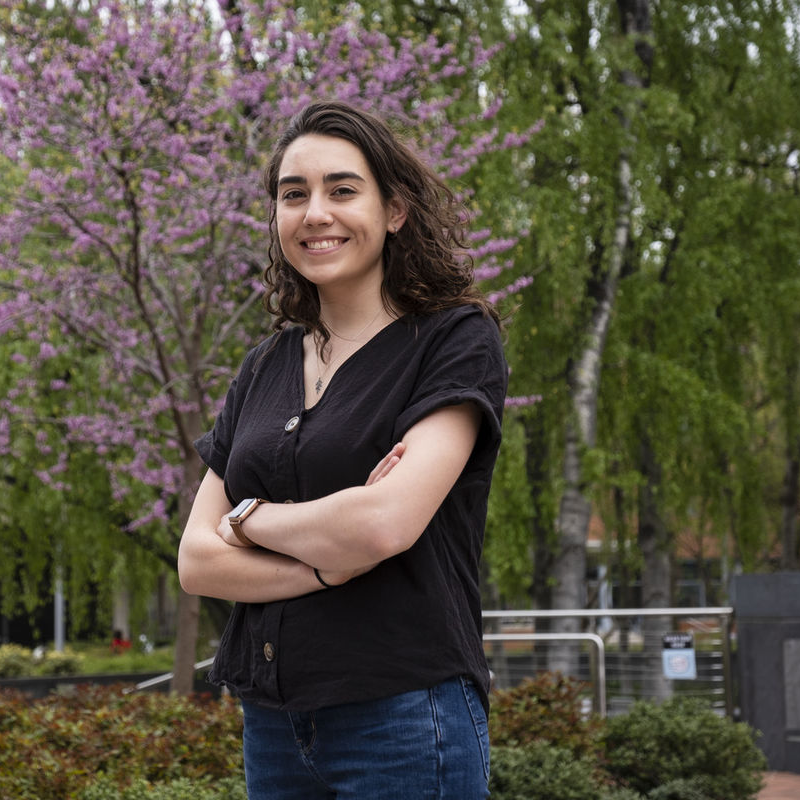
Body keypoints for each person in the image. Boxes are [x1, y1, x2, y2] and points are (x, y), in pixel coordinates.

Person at [177, 100, 508, 799]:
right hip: (271, 725)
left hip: (406, 716)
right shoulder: (263, 367)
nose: (314, 212)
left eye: (342, 189)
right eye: (293, 195)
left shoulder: (454, 341)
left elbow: (383, 525)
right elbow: (197, 561)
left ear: (394, 211)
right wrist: (328, 567)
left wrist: (247, 518)